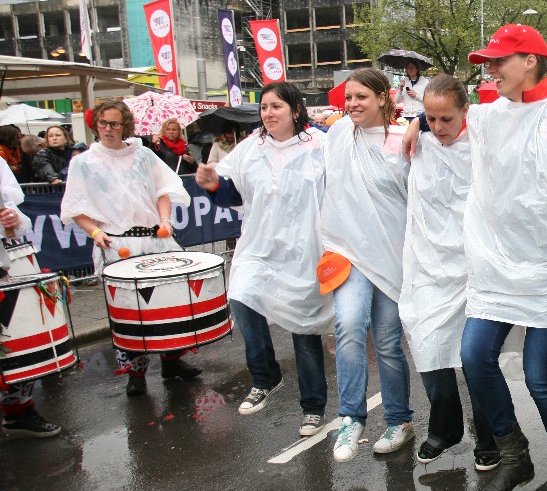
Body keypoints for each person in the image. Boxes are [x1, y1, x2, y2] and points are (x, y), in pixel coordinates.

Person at [403, 24, 547, 491]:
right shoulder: (487, 116)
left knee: (540, 377)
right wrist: (418, 122)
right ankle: (513, 455)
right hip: (494, 271)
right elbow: (448, 117)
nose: (491, 71)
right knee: (474, 357)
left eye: (499, 61)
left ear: (530, 61)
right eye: (487, 63)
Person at [194, 83, 333, 436]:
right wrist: (213, 184)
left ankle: (313, 406)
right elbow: (232, 192)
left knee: (304, 326)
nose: (268, 113)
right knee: (241, 295)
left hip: (305, 251)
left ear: (295, 110)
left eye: (276, 106)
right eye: (264, 107)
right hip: (260, 246)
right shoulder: (251, 148)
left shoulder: (322, 145)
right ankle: (265, 376)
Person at [60, 99, 199, 396]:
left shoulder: (143, 154)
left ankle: (172, 362)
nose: (108, 129)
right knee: (129, 313)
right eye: (103, 123)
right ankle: (136, 373)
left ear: (125, 126)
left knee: (166, 304)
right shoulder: (84, 163)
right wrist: (96, 232)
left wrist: (165, 219)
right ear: (95, 125)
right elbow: (75, 208)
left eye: (114, 123)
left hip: (155, 239)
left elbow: (163, 190)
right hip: (116, 244)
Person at [399, 75, 499, 471]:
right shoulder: (418, 144)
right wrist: (416, 124)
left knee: (475, 359)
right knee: (428, 348)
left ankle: (489, 437)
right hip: (427, 268)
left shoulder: (483, 145)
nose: (438, 127)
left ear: (466, 112)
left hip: (472, 269)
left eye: (446, 119)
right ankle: (444, 430)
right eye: (431, 118)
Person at [320, 68, 415, 460]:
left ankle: (399, 421)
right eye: (349, 98)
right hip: (348, 252)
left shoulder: (402, 139)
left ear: (382, 97)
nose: (352, 104)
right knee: (348, 325)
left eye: (361, 96)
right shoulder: (339, 135)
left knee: (388, 342)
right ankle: (351, 418)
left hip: (392, 256)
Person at [0, 161, 62, 437]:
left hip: (6, 267)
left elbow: (17, 214)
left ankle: (17, 412)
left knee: (17, 341)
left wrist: (14, 219)